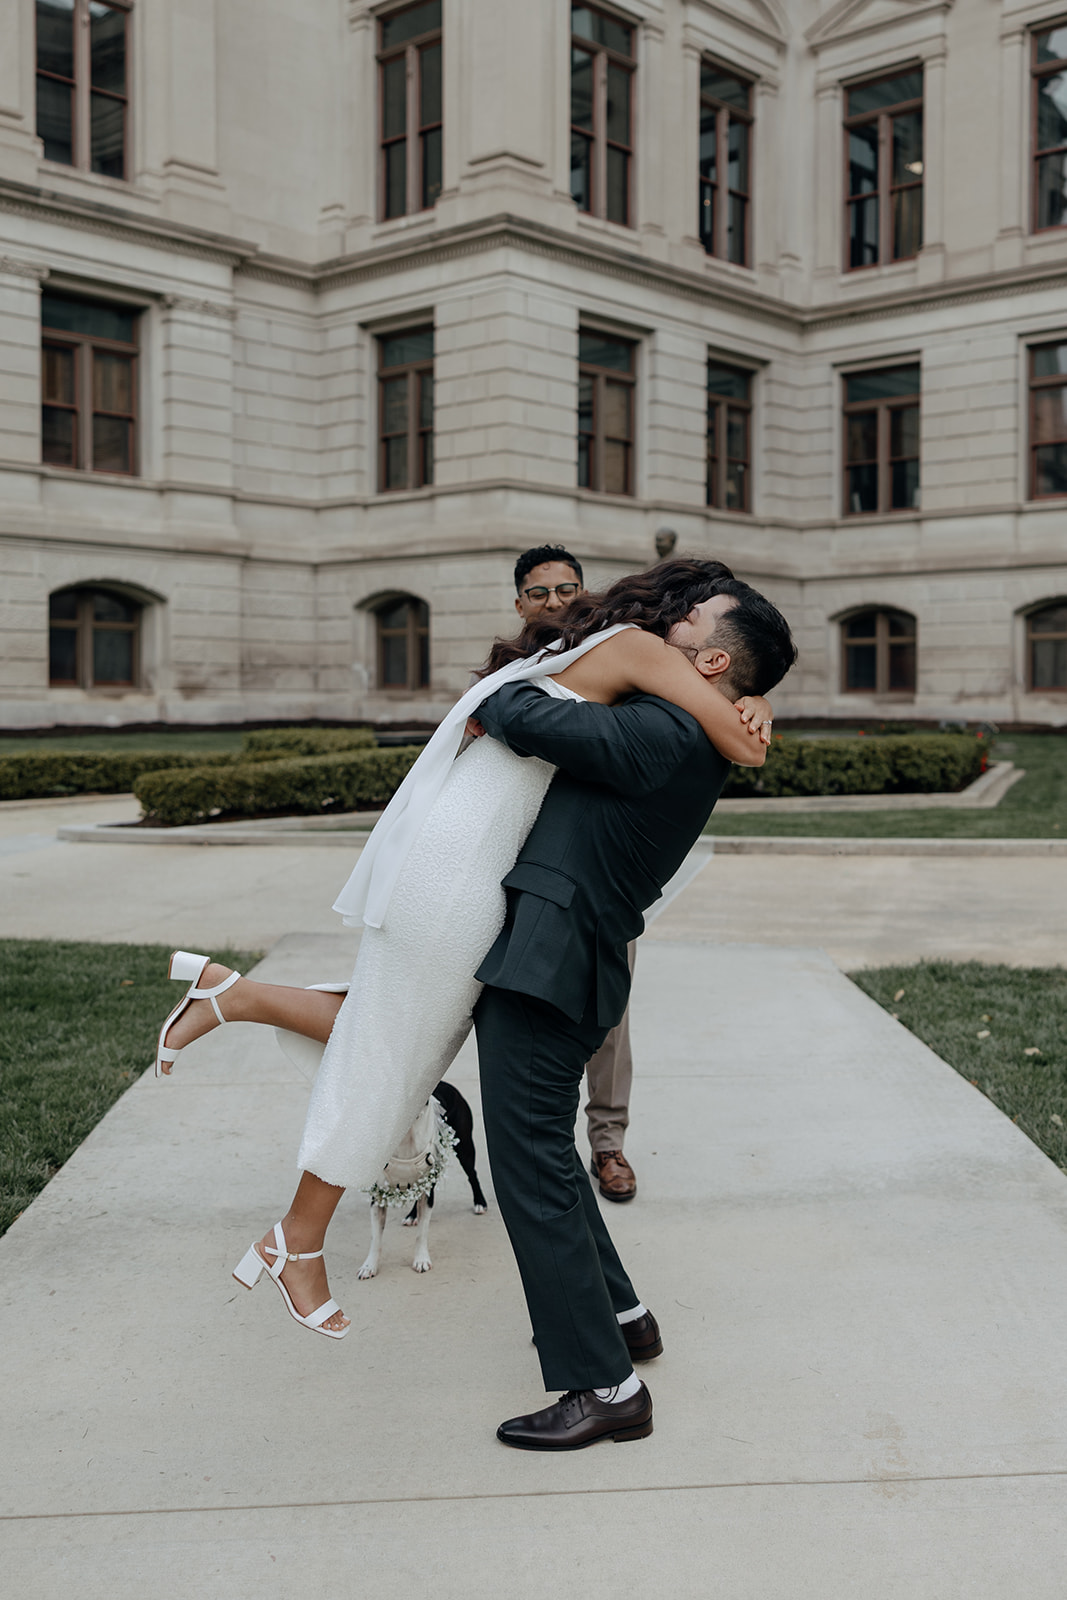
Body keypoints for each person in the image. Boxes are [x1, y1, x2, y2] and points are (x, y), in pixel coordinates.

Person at [153, 561, 786, 1366]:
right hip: (463, 869)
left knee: (405, 1036)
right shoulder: (643, 650)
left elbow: (701, 712)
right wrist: (751, 714)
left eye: (704, 616)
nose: (690, 616)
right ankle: (295, 1239)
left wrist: (752, 696)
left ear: (713, 653)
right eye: (693, 607)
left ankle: (232, 1004)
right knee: (395, 1051)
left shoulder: (637, 660)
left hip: (471, 862)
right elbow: (733, 739)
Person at [472, 574, 796, 1448]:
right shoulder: (697, 723)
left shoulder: (667, 727)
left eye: (688, 622)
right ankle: (626, 1317)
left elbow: (525, 714)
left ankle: (603, 1388)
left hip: (550, 961)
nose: (668, 624)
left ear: (712, 659)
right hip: (567, 958)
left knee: (530, 1170)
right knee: (547, 1156)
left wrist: (497, 699)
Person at [510, 545, 638, 1202]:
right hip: (513, 865)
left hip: (600, 867)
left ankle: (608, 1144)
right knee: (512, 1013)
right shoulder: (505, 674)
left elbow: (707, 681)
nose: (556, 602)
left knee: (605, 1014)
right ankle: (537, 1143)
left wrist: (756, 696)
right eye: (540, 592)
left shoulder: (620, 654)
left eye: (567, 588)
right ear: (518, 604)